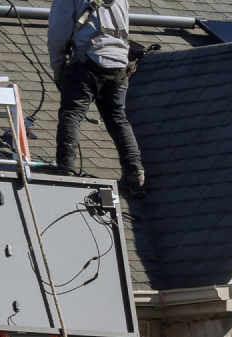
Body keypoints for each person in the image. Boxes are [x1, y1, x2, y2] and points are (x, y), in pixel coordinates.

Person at [48, 0, 146, 197]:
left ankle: (66, 168)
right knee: (117, 118)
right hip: (119, 64)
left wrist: (59, 69)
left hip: (88, 59)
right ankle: (135, 173)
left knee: (72, 113)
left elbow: (58, 33)